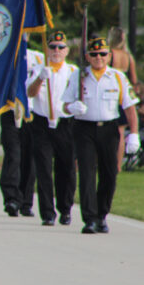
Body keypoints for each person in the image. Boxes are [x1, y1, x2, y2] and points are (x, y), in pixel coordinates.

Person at [62, 37, 139, 234]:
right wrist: (72, 107)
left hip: (108, 129)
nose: (98, 58)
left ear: (109, 56)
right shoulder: (79, 76)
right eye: (94, 54)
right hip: (84, 128)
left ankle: (102, 214)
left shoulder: (118, 77)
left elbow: (130, 108)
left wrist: (134, 134)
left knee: (109, 173)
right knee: (87, 173)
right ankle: (89, 218)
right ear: (87, 56)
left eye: (102, 54)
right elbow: (64, 104)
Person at [26, 31, 77, 226]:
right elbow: (30, 93)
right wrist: (40, 78)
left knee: (66, 168)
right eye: (53, 47)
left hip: (65, 124)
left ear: (67, 51)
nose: (56, 50)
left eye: (60, 47)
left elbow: (78, 97)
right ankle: (48, 213)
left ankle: (65, 209)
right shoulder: (38, 69)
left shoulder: (73, 72)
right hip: (42, 123)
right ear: (46, 49)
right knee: (44, 169)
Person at [0, 44, 41, 218]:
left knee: (29, 158)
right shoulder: (4, 56)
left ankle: (25, 200)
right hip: (10, 111)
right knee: (13, 154)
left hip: (32, 113)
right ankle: (11, 198)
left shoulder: (39, 58)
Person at [108, 27, 138, 171]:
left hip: (112, 93)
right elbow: (133, 79)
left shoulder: (110, 54)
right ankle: (118, 165)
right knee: (120, 132)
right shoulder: (128, 56)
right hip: (124, 93)